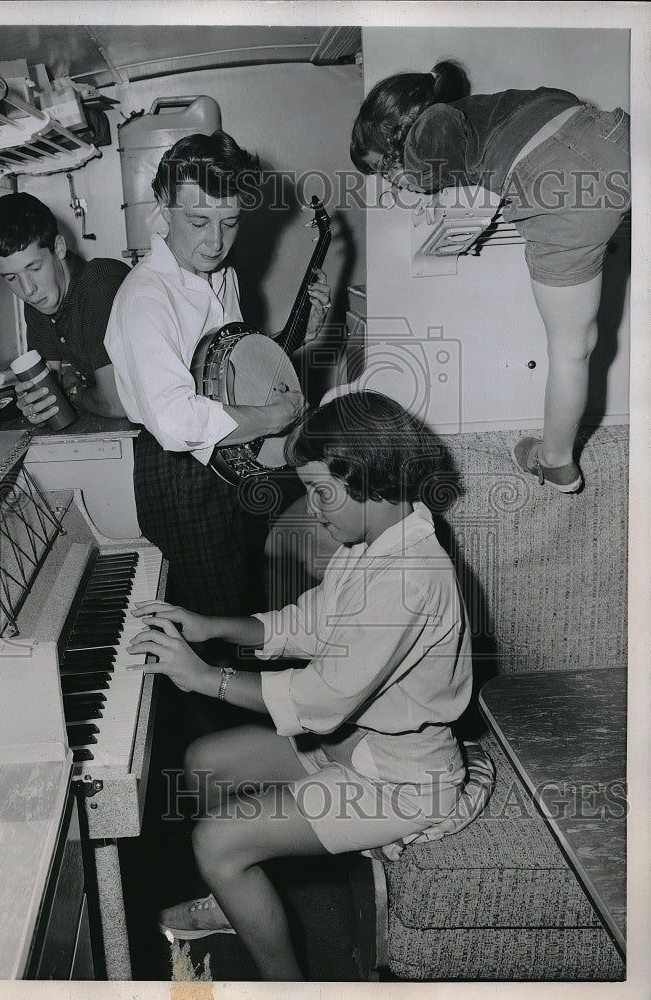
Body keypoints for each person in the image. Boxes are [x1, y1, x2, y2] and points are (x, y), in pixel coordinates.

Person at [126, 391, 473, 981]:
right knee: (204, 761)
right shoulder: (376, 541)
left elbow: (320, 699)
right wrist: (213, 625)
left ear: (368, 478)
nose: (312, 508)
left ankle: (286, 986)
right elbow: (308, 623)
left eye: (320, 491)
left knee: (215, 842)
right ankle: (235, 900)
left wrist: (205, 678)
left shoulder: (411, 577)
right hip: (355, 746)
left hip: (403, 780)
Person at [350, 61, 630, 494]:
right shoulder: (487, 109)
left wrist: (419, 177)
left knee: (572, 348)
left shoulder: (429, 131)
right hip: (610, 135)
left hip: (555, 190)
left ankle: (555, 461)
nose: (393, 182)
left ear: (392, 135)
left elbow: (439, 128)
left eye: (384, 169)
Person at [105, 130, 331, 618]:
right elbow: (176, 422)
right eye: (198, 221)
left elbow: (227, 368)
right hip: (180, 473)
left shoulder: (220, 276)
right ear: (164, 208)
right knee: (214, 620)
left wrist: (301, 336)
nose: (215, 241)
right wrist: (275, 417)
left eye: (230, 222)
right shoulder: (147, 298)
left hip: (231, 456)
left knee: (244, 597)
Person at [0, 191, 129, 422]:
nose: (28, 290)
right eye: (11, 278)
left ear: (58, 247)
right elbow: (48, 389)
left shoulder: (99, 287)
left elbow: (116, 404)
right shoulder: (41, 302)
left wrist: (72, 391)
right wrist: (35, 406)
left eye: (34, 268)